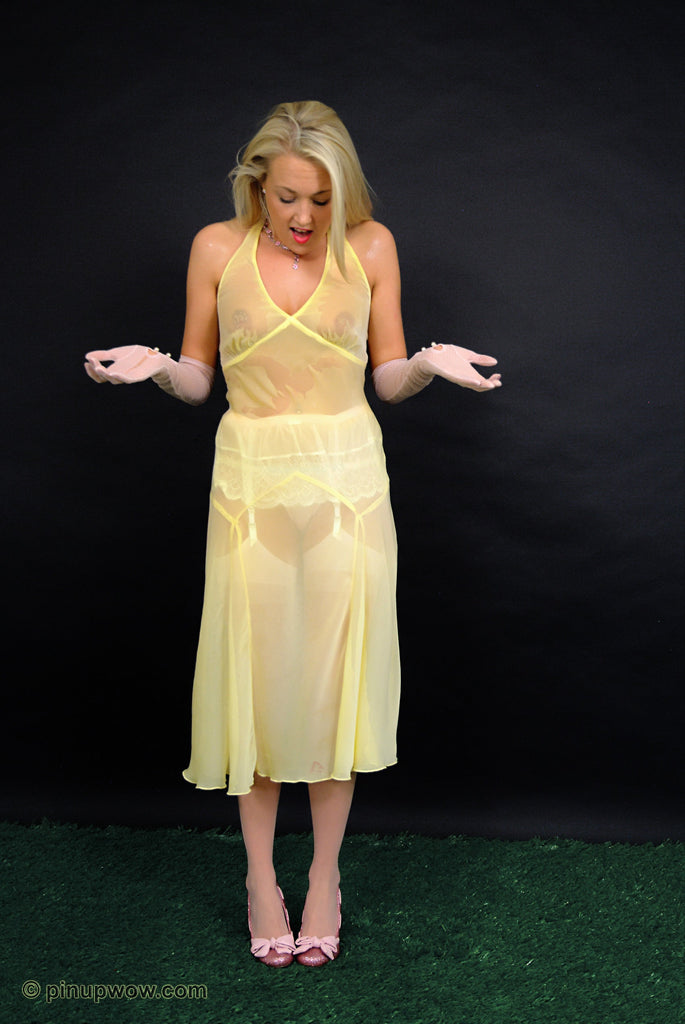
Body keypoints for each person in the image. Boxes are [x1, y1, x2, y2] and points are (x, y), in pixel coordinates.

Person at [85, 100, 501, 968]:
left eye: (322, 198)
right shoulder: (215, 249)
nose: (305, 218)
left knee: (332, 688)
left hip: (349, 484)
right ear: (256, 186)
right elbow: (200, 378)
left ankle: (322, 879)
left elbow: (385, 376)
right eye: (287, 198)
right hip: (249, 486)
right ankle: (259, 879)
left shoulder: (372, 247)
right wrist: (156, 368)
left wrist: (426, 365)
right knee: (257, 685)